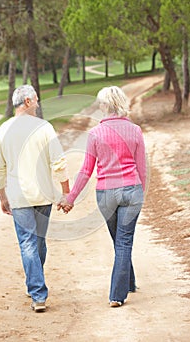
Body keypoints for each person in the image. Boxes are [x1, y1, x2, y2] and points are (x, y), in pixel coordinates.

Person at [58, 86, 146, 308]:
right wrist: (139, 194)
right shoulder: (135, 130)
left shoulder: (96, 133)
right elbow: (142, 168)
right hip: (131, 190)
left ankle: (118, 293)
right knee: (123, 241)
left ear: (105, 106)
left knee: (120, 241)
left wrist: (70, 198)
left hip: (106, 194)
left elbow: (86, 170)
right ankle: (127, 284)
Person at [0, 84, 69, 312]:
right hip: (43, 195)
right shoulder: (44, 128)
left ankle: (36, 291)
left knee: (28, 243)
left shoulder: (3, 130)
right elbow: (59, 162)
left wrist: (2, 196)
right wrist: (65, 191)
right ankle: (36, 288)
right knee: (38, 242)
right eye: (35, 99)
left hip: (18, 197)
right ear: (27, 102)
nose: (37, 103)